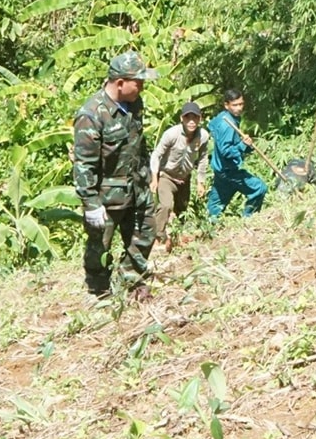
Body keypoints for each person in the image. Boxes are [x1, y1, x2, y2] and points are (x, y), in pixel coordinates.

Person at [72, 52, 158, 299]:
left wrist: (148, 173)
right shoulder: (92, 115)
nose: (142, 88)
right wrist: (90, 203)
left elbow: (138, 144)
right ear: (120, 83)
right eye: (138, 83)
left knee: (145, 233)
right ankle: (98, 291)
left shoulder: (134, 104)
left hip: (137, 187)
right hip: (107, 196)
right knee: (100, 247)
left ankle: (130, 279)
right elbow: (84, 165)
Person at [150, 100, 208, 249]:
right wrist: (154, 178)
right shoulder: (172, 134)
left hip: (185, 178)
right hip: (167, 176)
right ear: (182, 118)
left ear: (199, 119)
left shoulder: (203, 136)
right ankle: (159, 237)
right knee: (165, 205)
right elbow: (156, 155)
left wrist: (201, 182)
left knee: (182, 208)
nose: (191, 122)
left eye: (195, 118)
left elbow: (202, 159)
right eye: (188, 118)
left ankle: (179, 237)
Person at [207, 89, 268, 218]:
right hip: (229, 171)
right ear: (226, 105)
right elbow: (226, 152)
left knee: (216, 205)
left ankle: (209, 227)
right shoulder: (227, 125)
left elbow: (211, 126)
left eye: (241, 104)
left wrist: (246, 146)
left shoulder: (223, 117)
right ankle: (248, 218)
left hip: (220, 170)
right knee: (259, 188)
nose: (239, 108)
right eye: (235, 105)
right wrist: (242, 145)